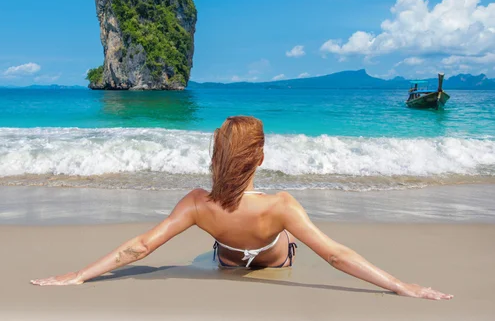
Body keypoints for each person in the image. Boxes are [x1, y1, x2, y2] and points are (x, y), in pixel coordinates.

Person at [31, 116, 453, 300]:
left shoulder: (198, 202)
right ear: (260, 158)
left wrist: (80, 275)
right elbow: (336, 255)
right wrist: (401, 285)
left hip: (229, 258)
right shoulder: (281, 205)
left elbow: (141, 248)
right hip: (272, 259)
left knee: (216, 247)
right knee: (287, 237)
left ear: (218, 156)